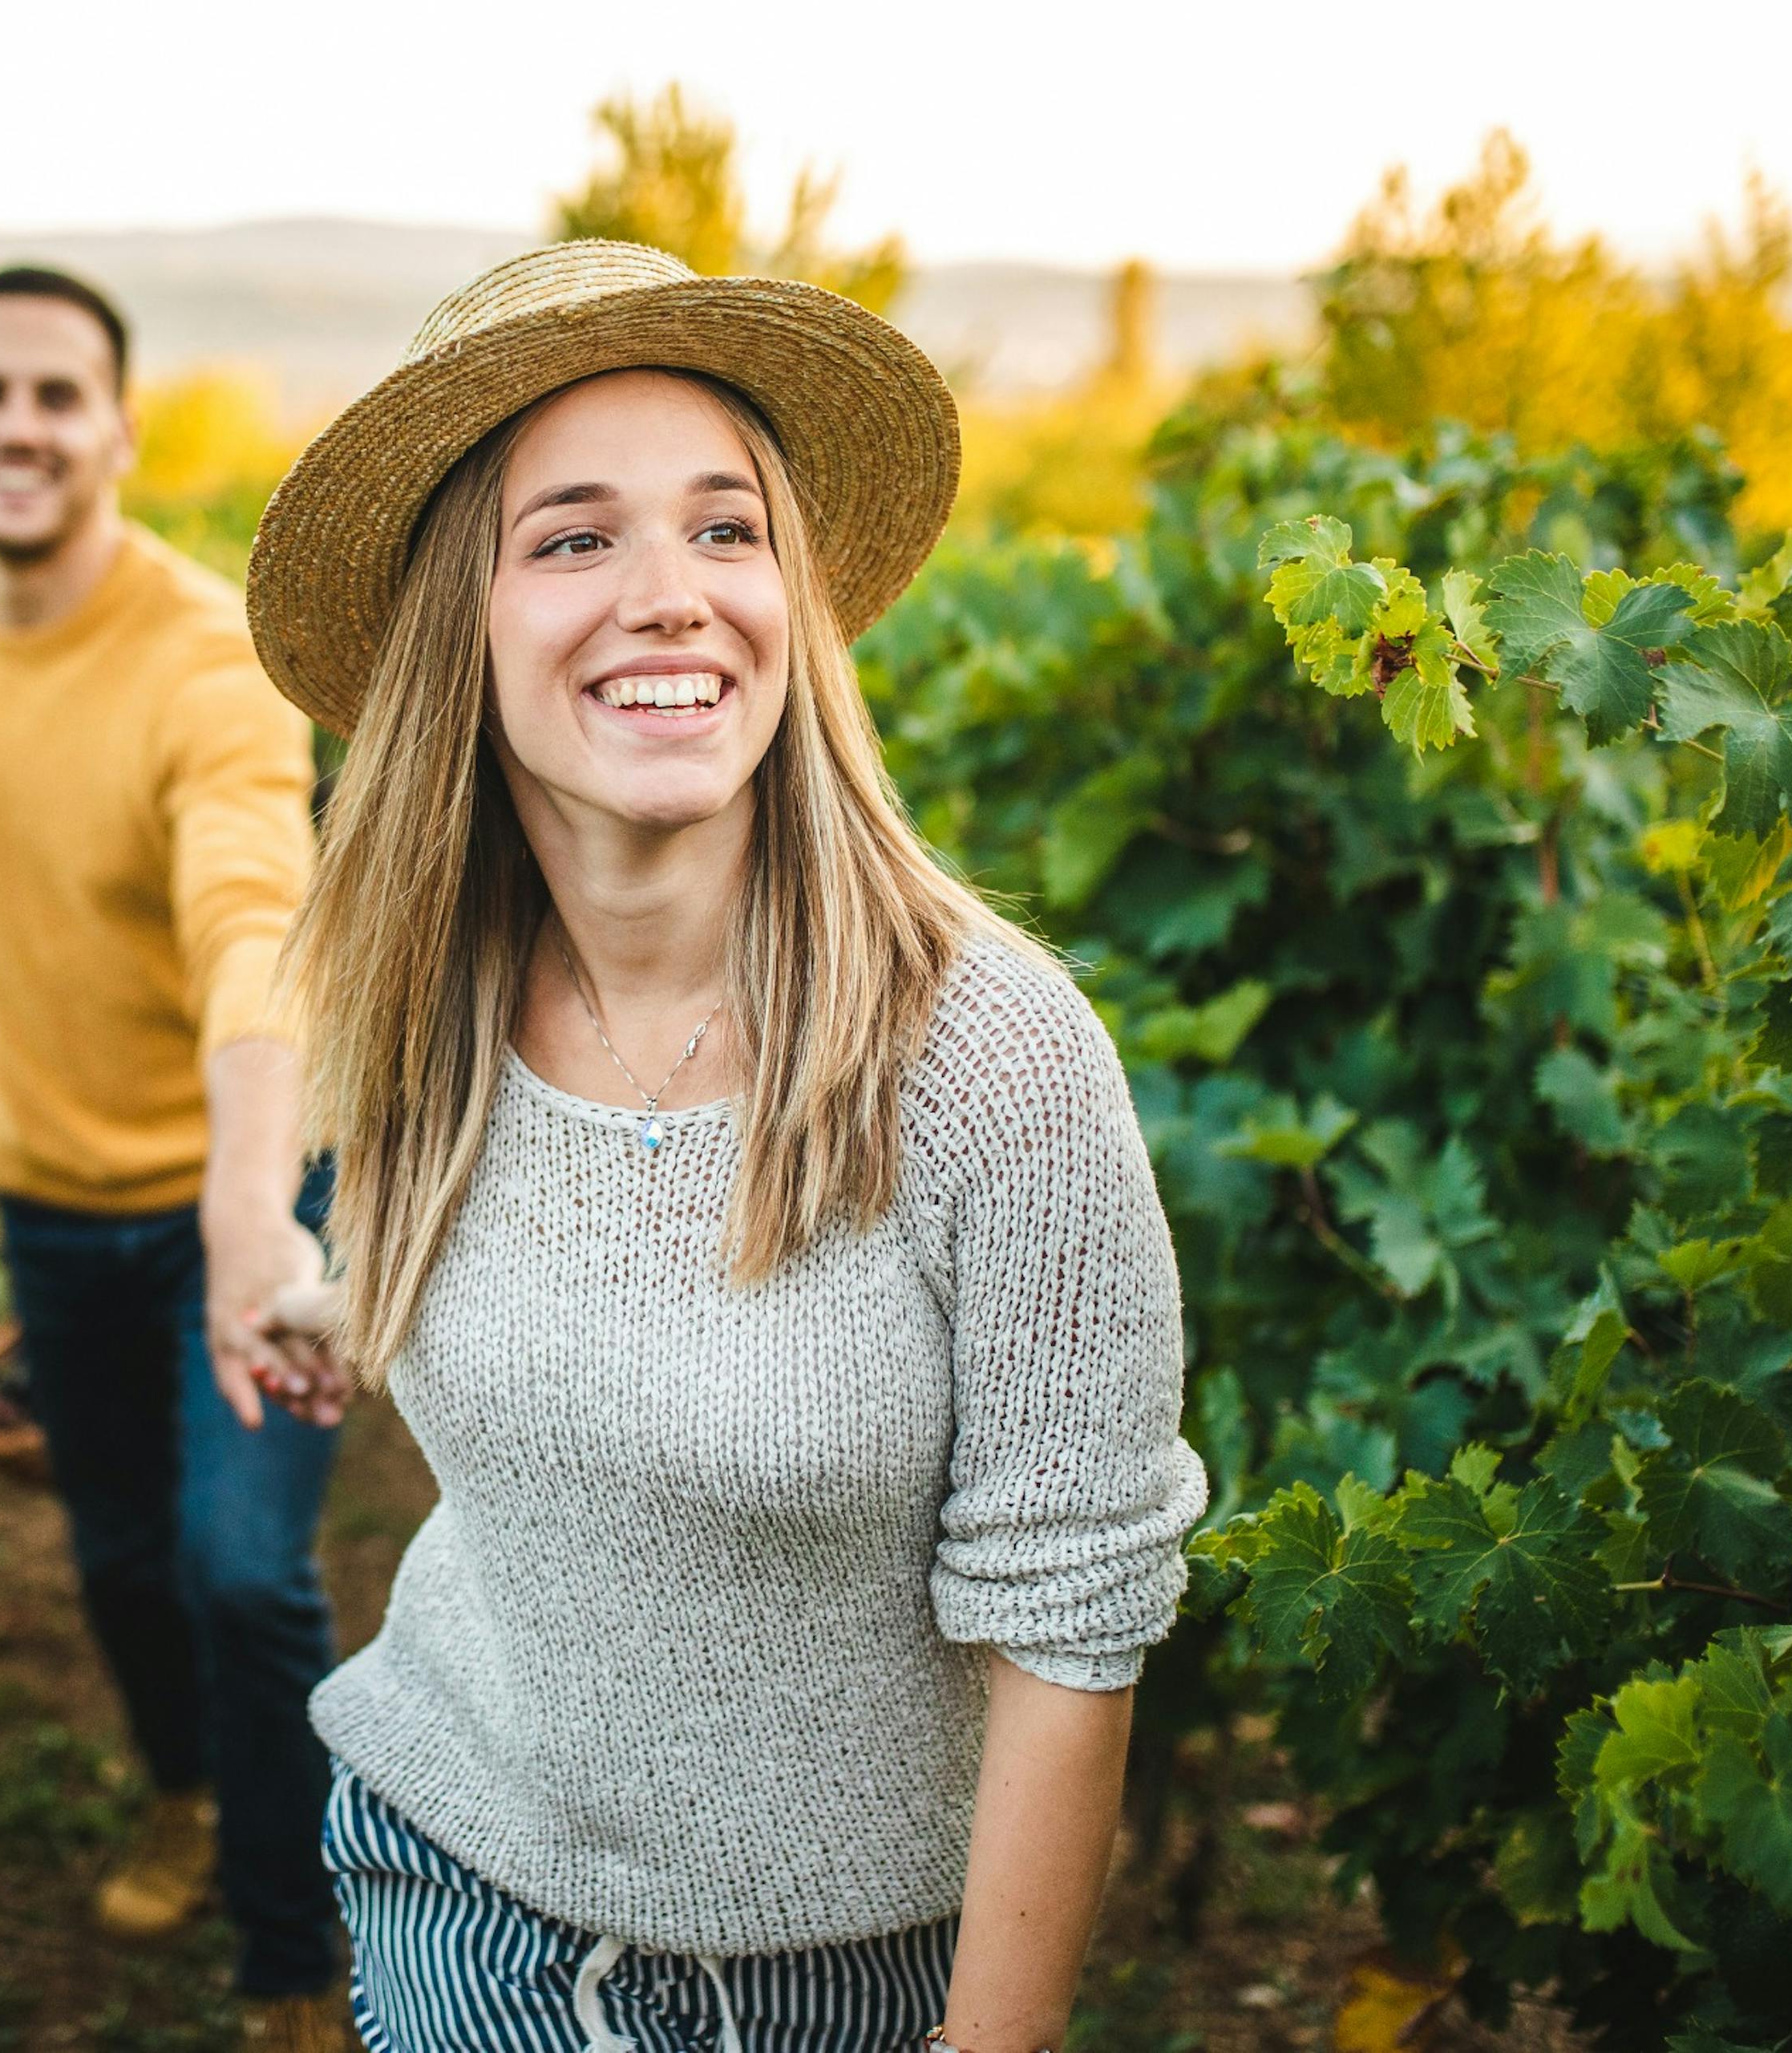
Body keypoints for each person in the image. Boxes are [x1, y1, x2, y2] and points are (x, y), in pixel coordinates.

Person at [239, 241, 1207, 2053]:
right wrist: (342, 1303)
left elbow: (1076, 1622)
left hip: (850, 1984)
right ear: (468, 623)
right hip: (457, 1892)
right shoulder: (422, 989)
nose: (670, 595)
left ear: (796, 603)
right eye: (577, 537)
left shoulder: (989, 1061)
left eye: (726, 528)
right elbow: (530, 1270)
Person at [0, 265, 353, 2051]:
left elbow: (257, 919)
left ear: (119, 430)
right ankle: (183, 1788)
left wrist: (251, 1202)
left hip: (231, 1186)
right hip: (47, 1193)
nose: (18, 426)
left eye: (56, 396)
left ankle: (295, 1947)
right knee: (114, 1559)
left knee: (244, 1570)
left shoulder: (204, 662)